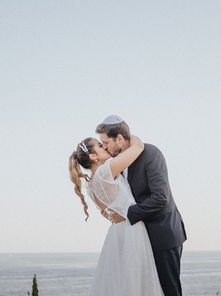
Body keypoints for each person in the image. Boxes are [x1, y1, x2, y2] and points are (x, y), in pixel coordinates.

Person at [96, 115, 186, 296]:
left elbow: (161, 198)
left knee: (169, 290)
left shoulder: (151, 154)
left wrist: (127, 214)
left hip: (162, 236)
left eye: (105, 142)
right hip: (137, 240)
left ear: (119, 139)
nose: (104, 147)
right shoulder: (117, 163)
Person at [69, 134, 164, 296]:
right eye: (100, 146)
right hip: (132, 231)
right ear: (93, 156)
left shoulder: (90, 186)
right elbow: (138, 147)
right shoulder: (106, 170)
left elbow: (106, 213)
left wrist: (121, 214)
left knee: (120, 283)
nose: (105, 147)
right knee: (137, 281)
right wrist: (124, 134)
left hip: (116, 233)